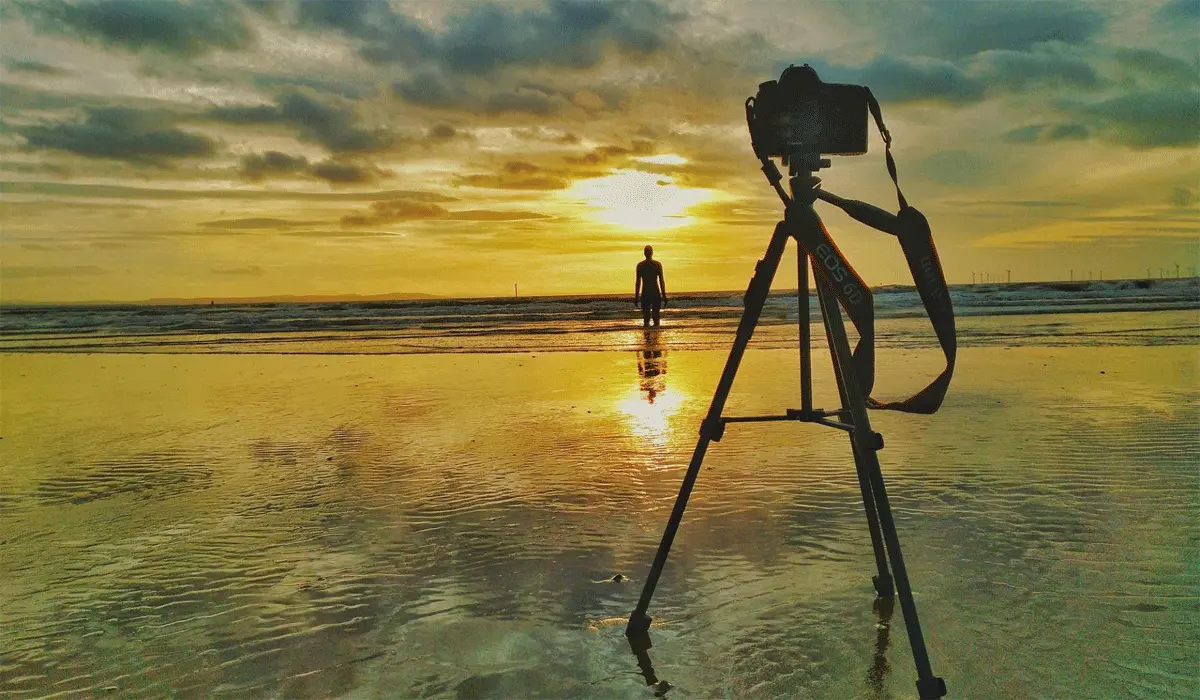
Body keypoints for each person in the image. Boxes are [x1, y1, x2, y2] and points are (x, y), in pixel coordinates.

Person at [634, 245, 667, 327]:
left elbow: (638, 283)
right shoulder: (657, 264)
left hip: (646, 293)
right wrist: (664, 295)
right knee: (655, 318)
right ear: (652, 253)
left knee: (647, 319)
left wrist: (636, 297)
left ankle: (648, 335)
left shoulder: (640, 265)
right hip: (654, 292)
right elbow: (661, 281)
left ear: (644, 253)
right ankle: (654, 334)